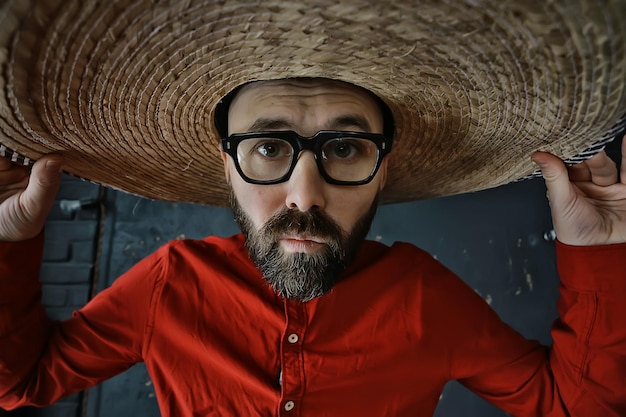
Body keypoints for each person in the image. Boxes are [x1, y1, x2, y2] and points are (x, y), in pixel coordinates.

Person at [1, 76, 626, 417]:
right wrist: (6, 242)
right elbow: (20, 382)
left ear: (382, 170)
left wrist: (601, 254)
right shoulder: (173, 282)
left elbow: (571, 406)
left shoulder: (421, 296)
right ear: (228, 167)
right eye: (269, 149)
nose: (306, 196)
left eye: (346, 149)